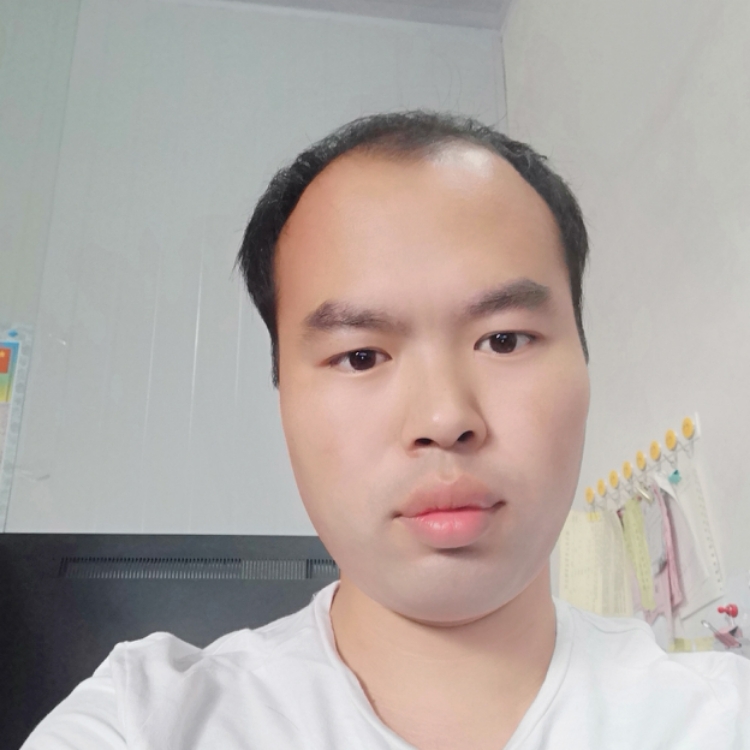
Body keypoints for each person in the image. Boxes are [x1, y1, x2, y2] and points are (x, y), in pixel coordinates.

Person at [22, 111, 750, 750]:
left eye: (503, 340)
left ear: (585, 362)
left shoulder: (718, 719)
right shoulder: (145, 723)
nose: (444, 419)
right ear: (283, 400)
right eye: (361, 356)